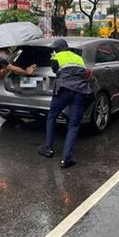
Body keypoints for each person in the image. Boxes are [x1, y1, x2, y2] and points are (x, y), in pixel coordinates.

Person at [38, 39, 93, 168]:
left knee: (52, 116)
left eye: (55, 48)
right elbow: (83, 73)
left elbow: (55, 71)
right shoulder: (78, 57)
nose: (54, 50)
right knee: (73, 125)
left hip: (63, 90)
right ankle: (66, 159)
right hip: (80, 91)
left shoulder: (56, 56)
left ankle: (48, 148)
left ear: (59, 48)